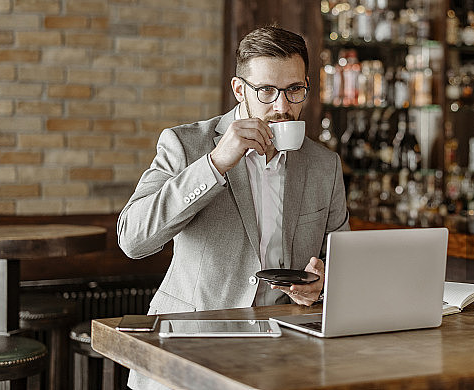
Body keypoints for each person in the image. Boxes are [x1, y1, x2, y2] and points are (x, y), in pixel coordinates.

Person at [117, 26, 350, 390]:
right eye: (266, 91)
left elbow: (343, 261)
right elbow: (133, 239)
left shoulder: (324, 165)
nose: (282, 107)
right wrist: (214, 164)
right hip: (191, 345)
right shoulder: (185, 144)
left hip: (286, 352)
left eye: (294, 90)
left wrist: (322, 284)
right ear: (240, 89)